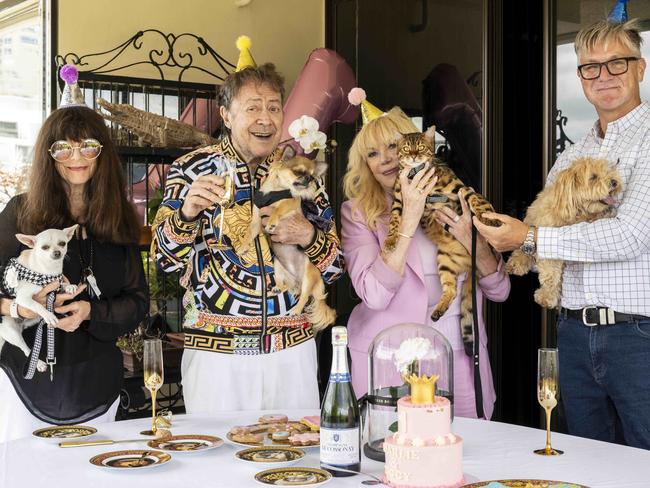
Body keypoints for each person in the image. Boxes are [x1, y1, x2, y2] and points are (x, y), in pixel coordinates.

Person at [474, 19, 650, 448]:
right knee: (584, 459)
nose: (604, 76)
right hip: (572, 334)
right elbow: (546, 219)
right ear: (580, 77)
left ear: (640, 69)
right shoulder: (571, 156)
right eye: (591, 67)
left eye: (617, 64)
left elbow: (630, 236)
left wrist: (529, 239)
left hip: (638, 338)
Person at [151, 39, 343, 413]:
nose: (265, 118)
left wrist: (308, 235)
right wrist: (186, 215)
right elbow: (164, 262)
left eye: (273, 108)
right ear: (225, 115)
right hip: (217, 358)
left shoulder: (300, 173)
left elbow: (336, 267)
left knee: (292, 461)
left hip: (292, 355)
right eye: (252, 107)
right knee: (218, 465)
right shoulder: (189, 170)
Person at [341, 100, 510, 419]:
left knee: (462, 454)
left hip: (459, 351)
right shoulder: (358, 212)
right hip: (389, 358)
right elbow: (374, 295)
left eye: (392, 146)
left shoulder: (455, 195)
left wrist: (471, 242)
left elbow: (500, 290)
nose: (386, 160)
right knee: (395, 459)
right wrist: (410, 215)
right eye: (372, 154)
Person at [0, 75, 147, 441]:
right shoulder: (20, 213)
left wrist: (90, 313)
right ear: (48, 155)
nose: (76, 157)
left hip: (97, 383)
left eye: (88, 147)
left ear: (103, 154)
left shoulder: (120, 219)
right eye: (63, 148)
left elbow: (137, 302)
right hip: (23, 380)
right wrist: (20, 309)